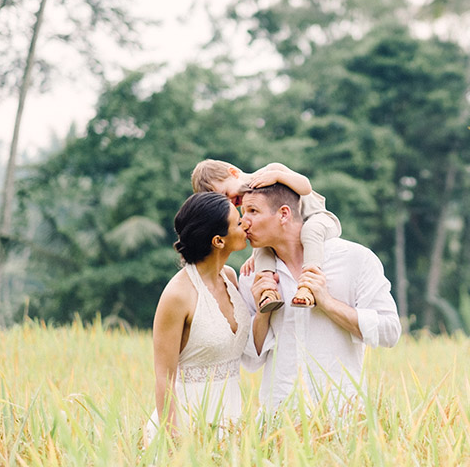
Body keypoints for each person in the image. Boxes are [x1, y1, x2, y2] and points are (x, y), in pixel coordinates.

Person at [238, 183, 401, 415]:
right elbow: (250, 360)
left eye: (253, 211)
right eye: (243, 213)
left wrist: (327, 303)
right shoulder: (252, 276)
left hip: (343, 414)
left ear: (284, 214)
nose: (244, 222)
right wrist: (263, 312)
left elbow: (390, 332)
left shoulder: (355, 259)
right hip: (280, 418)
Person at [145, 192, 251, 442]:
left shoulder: (230, 277)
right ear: (218, 241)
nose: (245, 222)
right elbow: (164, 376)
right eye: (238, 222)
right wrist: (174, 441)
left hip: (232, 423)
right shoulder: (177, 295)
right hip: (188, 424)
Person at [191, 159, 342, 310]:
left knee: (310, 230)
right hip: (287, 231)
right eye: (225, 202)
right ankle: (268, 290)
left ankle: (309, 281)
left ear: (234, 173)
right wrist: (254, 255)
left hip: (319, 219)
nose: (230, 201)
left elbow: (306, 187)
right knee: (262, 246)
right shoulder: (247, 200)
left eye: (226, 194)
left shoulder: (271, 170)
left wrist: (278, 176)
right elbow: (265, 230)